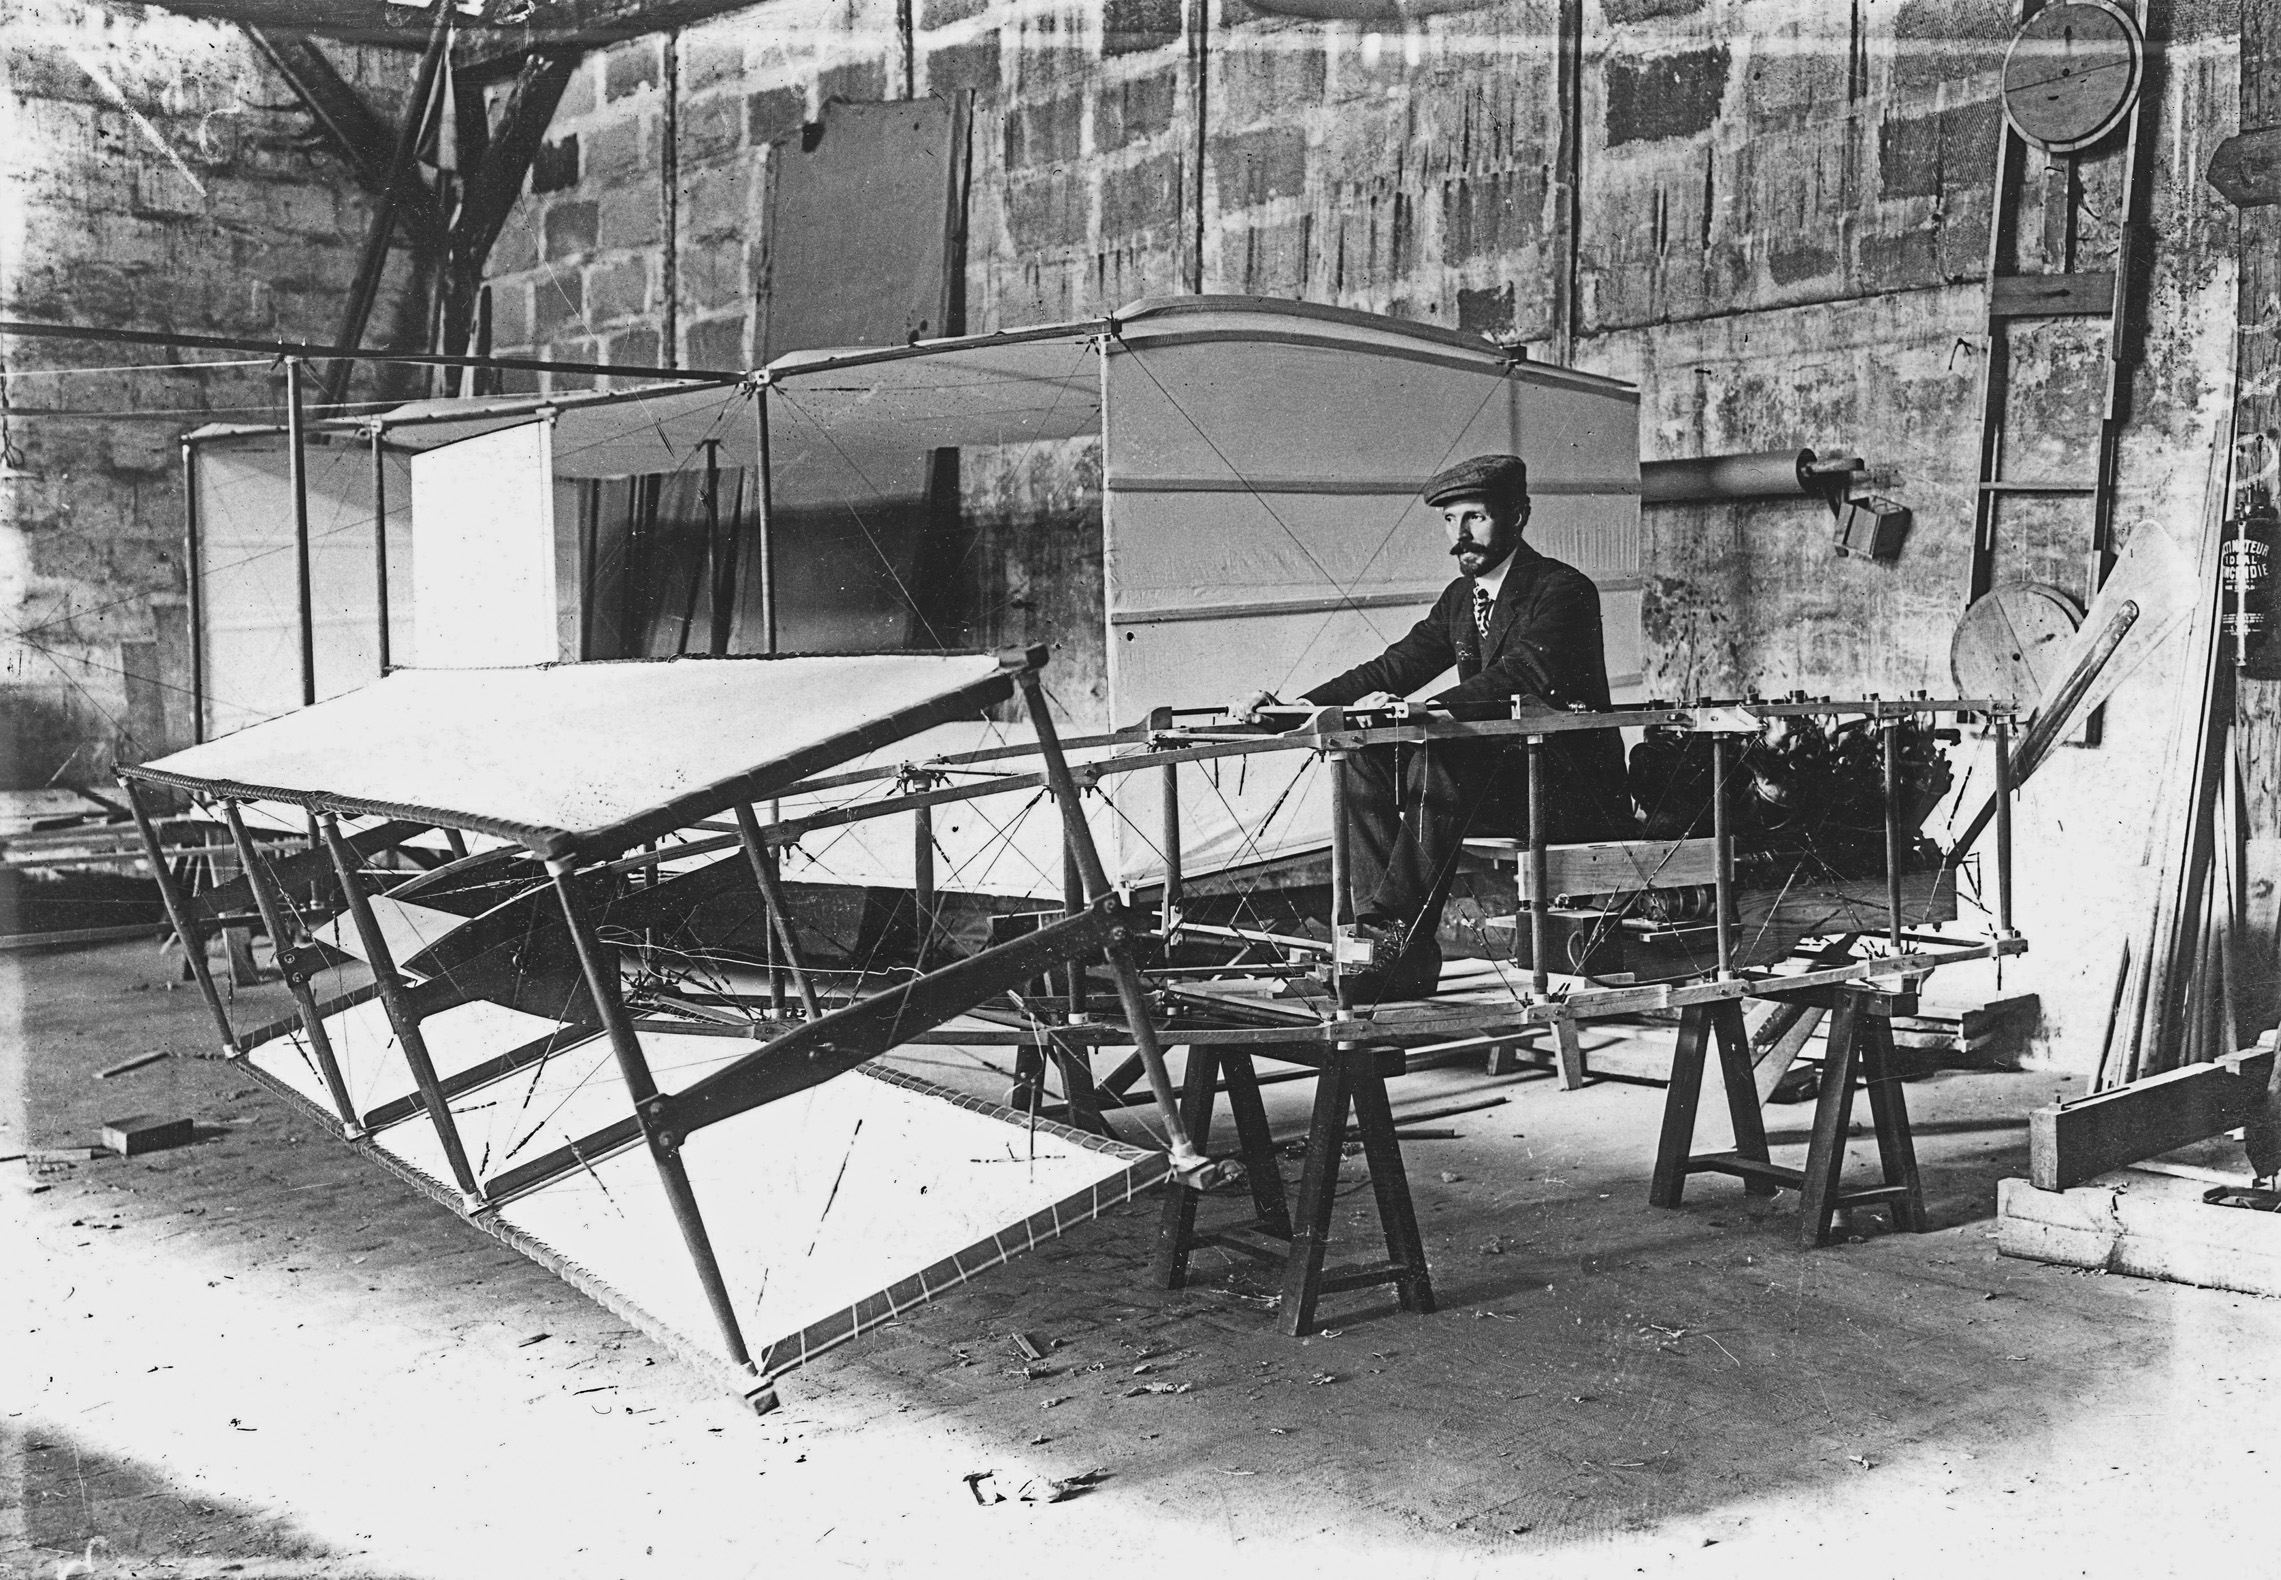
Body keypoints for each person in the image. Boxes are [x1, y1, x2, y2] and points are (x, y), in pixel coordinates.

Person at [1229, 453, 1634, 999]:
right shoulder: (1461, 599)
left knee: (1444, 750)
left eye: (1475, 517)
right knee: (1363, 755)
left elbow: (1520, 673)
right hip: (1501, 782)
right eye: (1450, 520)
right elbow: (1395, 667)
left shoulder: (1563, 590)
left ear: (1518, 516)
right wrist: (1295, 707)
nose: (1459, 534)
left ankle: (1391, 935)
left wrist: (1425, 709)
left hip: (1566, 791)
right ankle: (1387, 945)